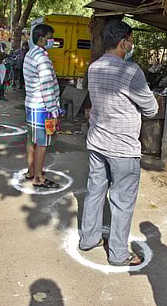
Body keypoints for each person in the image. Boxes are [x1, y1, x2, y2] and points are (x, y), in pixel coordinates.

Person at [78, 20, 158, 266]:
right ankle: (118, 254)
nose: (131, 45)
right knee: (122, 202)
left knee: (95, 191)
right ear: (123, 42)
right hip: (123, 147)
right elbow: (152, 108)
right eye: (131, 41)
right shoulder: (131, 71)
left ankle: (88, 239)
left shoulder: (94, 66)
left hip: (97, 142)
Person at [23, 24, 61, 188]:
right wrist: (54, 110)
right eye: (50, 37)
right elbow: (47, 87)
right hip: (43, 107)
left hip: (31, 104)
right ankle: (38, 177)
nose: (52, 40)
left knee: (32, 140)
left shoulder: (30, 54)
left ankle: (31, 171)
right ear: (42, 38)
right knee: (42, 143)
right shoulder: (43, 59)